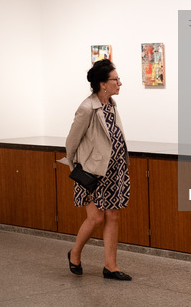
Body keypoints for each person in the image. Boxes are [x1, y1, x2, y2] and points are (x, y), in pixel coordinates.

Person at [65, 59, 132, 280]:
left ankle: (110, 267)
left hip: (115, 171)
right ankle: (74, 254)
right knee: (96, 219)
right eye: (116, 79)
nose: (120, 83)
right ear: (103, 83)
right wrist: (79, 172)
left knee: (113, 216)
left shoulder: (111, 104)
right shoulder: (87, 108)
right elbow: (71, 143)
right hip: (93, 173)